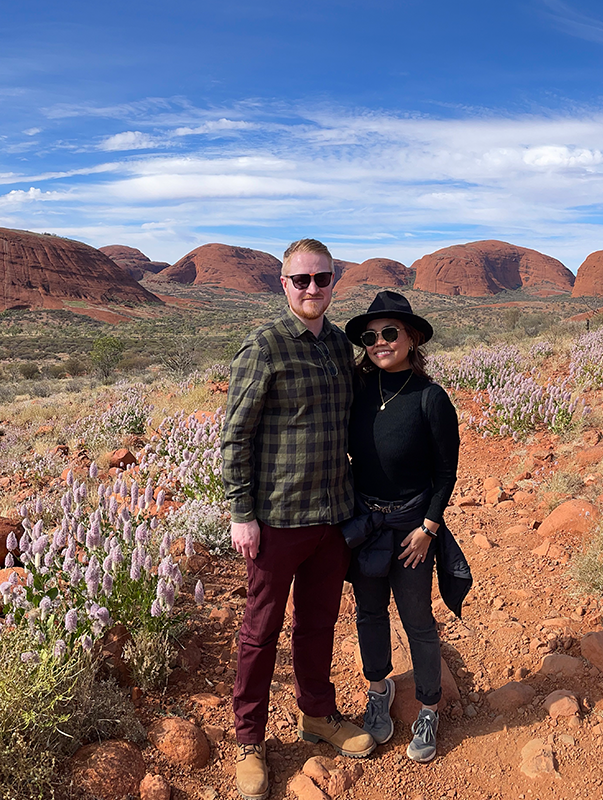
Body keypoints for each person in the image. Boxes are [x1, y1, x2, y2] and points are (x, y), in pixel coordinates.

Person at [222, 238, 376, 800]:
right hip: (278, 516)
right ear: (283, 284)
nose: (313, 288)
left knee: (317, 623)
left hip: (333, 514)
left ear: (335, 281)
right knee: (260, 632)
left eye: (323, 278)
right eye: (302, 279)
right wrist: (243, 512)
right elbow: (235, 435)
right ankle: (249, 740)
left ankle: (316, 714)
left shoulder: (339, 344)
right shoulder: (264, 347)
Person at [342, 290, 468, 763]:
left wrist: (429, 528)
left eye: (390, 333)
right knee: (369, 611)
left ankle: (429, 707)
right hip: (368, 523)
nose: (380, 342)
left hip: (413, 527)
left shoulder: (430, 399)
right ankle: (379, 691)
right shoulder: (359, 389)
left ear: (412, 338)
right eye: (371, 336)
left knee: (417, 619)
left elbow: (445, 472)